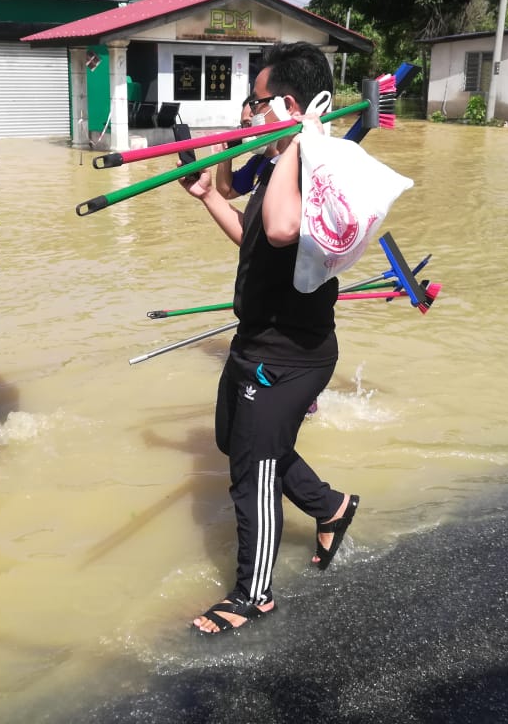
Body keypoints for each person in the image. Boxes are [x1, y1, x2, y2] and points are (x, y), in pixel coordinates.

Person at [183, 42, 359, 634]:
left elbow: (284, 228)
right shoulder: (284, 157)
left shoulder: (316, 163)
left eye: (255, 103)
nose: (248, 113)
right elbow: (255, 238)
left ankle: (253, 594)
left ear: (285, 104)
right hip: (256, 336)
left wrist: (299, 139)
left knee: (253, 464)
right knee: (236, 441)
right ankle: (331, 506)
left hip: (293, 351)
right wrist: (211, 196)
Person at [214, 94, 321, 417]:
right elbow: (227, 191)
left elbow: (278, 232)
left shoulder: (308, 162)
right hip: (261, 316)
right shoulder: (263, 162)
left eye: (252, 121)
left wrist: (305, 138)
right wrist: (225, 153)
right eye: (243, 125)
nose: (249, 129)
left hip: (288, 324)